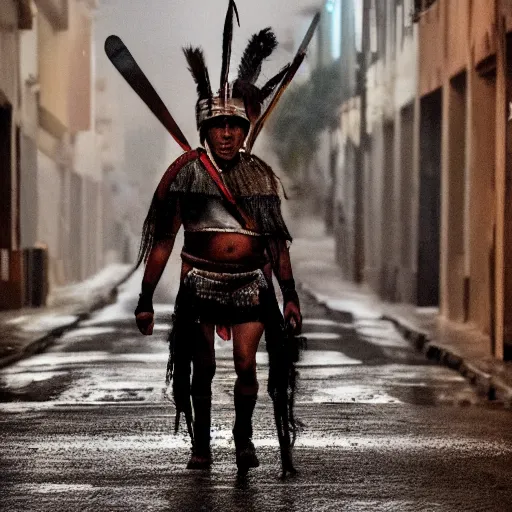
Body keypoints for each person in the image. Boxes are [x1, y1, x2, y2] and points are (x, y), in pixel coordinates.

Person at [133, 1, 302, 475]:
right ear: (206, 131)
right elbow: (163, 242)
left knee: (248, 366)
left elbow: (277, 245)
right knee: (200, 368)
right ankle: (201, 445)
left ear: (244, 130)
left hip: (251, 284)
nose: (226, 134)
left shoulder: (262, 178)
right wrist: (146, 298)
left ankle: (244, 437)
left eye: (234, 126)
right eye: (218, 126)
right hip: (199, 283)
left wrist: (288, 296)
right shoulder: (184, 176)